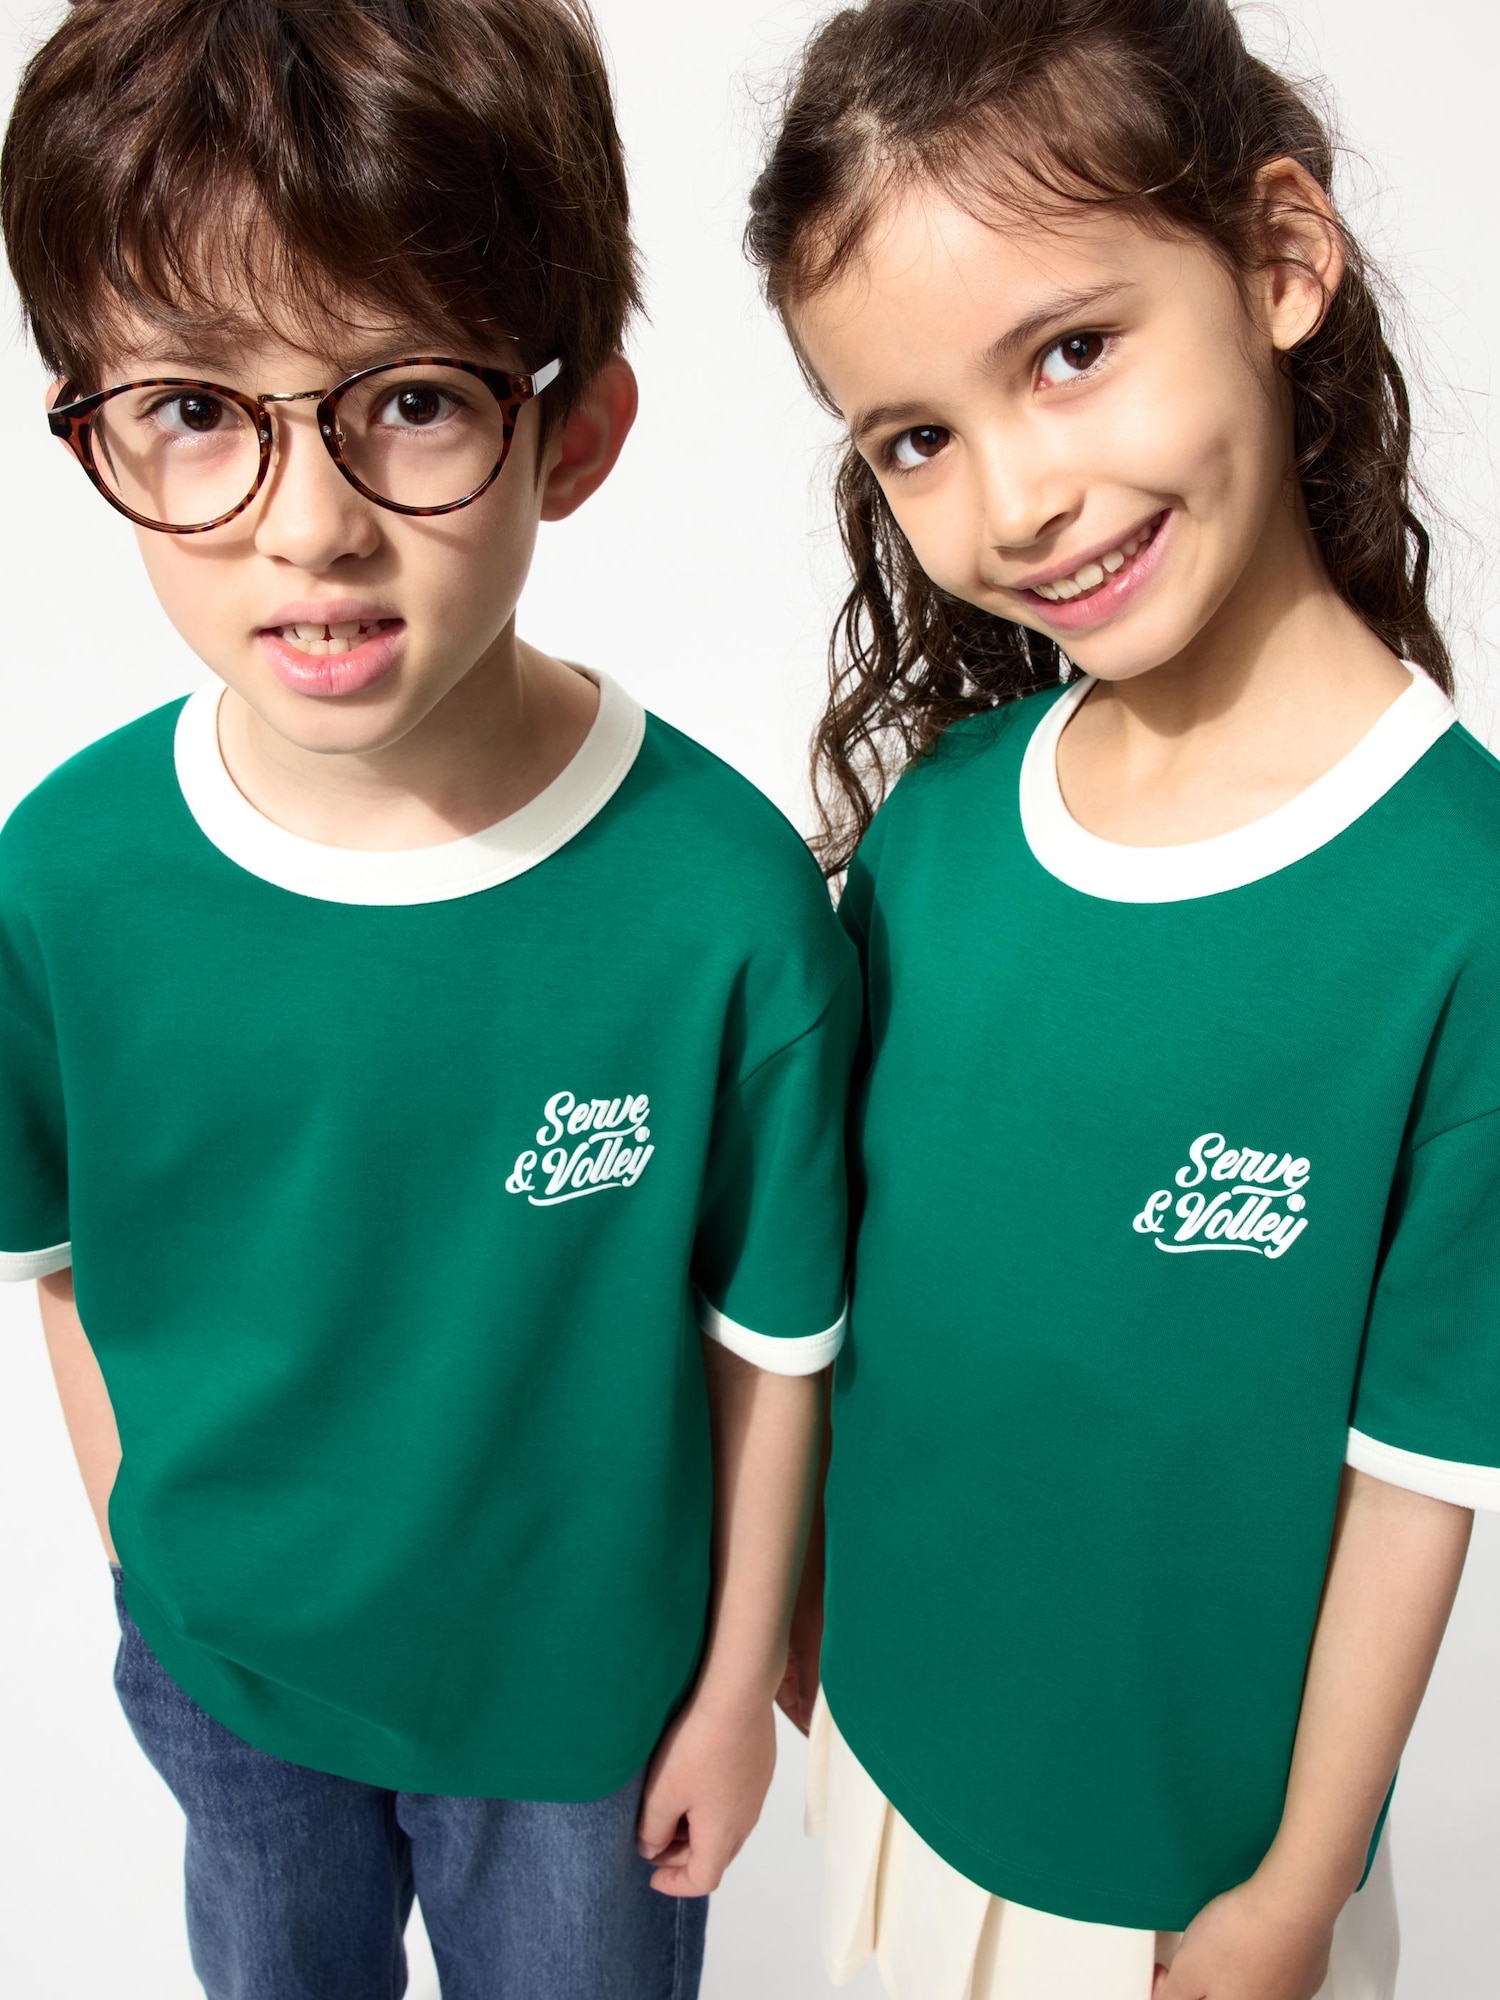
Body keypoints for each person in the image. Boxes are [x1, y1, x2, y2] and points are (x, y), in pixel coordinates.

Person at [0, 2, 857, 1995]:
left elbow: (774, 1350)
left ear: (576, 429)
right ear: (91, 427)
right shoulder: (62, 884)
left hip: (584, 1711)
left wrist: (736, 1690)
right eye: (193, 405)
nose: (310, 523)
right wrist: (154, 1569)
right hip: (230, 1678)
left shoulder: (721, 907)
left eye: (406, 400)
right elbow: (61, 1269)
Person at [746, 2, 1498, 1996]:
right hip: (888, 1785)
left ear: (1280, 258)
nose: (1015, 499)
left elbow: (1422, 1475)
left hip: (1196, 1883)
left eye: (1071, 351)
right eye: (918, 436)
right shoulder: (939, 832)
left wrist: (1291, 1892)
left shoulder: (1465, 908)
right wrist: (806, 1610)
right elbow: (860, 1289)